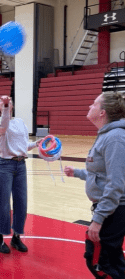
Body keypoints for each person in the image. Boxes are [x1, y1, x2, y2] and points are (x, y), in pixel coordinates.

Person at [64, 91, 125, 279]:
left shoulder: (115, 138)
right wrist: (78, 173)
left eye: (94, 104)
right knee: (111, 261)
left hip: (114, 210)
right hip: (110, 209)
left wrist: (98, 220)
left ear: (102, 112)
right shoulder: (107, 135)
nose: (90, 106)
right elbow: (101, 173)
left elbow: (115, 184)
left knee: (102, 263)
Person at [0, 95, 40, 254]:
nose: (6, 102)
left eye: (9, 100)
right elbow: (3, 127)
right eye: (2, 102)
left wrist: (36, 144)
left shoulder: (20, 122)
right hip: (4, 165)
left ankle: (16, 237)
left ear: (13, 104)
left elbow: (23, 145)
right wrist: (5, 109)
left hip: (21, 165)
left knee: (22, 203)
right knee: (3, 204)